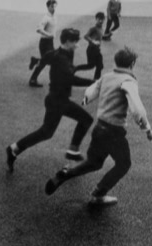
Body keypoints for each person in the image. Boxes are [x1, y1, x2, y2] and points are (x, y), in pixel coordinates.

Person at [44, 47, 152, 205]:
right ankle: (98, 194)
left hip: (99, 128)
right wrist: (147, 129)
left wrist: (84, 102)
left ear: (116, 61)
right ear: (132, 64)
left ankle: (66, 174)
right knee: (124, 164)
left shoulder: (107, 76)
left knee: (94, 163)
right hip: (114, 131)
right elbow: (137, 109)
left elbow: (90, 92)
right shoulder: (128, 81)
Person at [6, 28, 95, 171]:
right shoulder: (62, 58)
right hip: (58, 101)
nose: (77, 45)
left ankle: (14, 148)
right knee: (85, 120)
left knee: (46, 132)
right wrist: (93, 82)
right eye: (75, 42)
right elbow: (70, 79)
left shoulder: (60, 54)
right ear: (67, 42)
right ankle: (72, 151)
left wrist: (36, 61)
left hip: (56, 99)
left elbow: (47, 59)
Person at [28, 0, 58, 87]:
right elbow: (38, 29)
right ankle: (52, 81)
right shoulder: (46, 18)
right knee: (49, 61)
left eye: (55, 6)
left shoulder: (55, 16)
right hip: (45, 43)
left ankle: (35, 63)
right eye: (52, 6)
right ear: (48, 7)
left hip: (50, 42)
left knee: (47, 61)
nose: (54, 8)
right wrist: (48, 34)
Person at [75, 12, 105, 80]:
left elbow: (99, 37)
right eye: (99, 19)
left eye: (102, 19)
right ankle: (75, 68)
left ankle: (96, 80)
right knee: (90, 66)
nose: (101, 21)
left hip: (97, 50)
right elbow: (86, 36)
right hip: (91, 50)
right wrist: (92, 41)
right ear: (96, 19)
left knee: (100, 66)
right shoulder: (93, 28)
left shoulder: (101, 28)